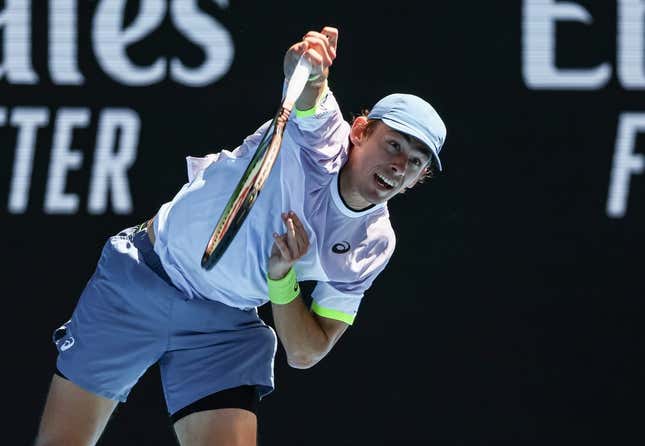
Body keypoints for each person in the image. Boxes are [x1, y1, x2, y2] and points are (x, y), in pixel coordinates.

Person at [34, 26, 447, 446]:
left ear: (416, 180)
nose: (399, 166)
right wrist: (308, 61)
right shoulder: (322, 137)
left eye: (414, 162)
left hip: (224, 326)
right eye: (393, 145)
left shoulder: (372, 243)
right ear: (359, 132)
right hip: (143, 278)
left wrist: (282, 279)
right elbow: (309, 86)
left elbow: (306, 351)